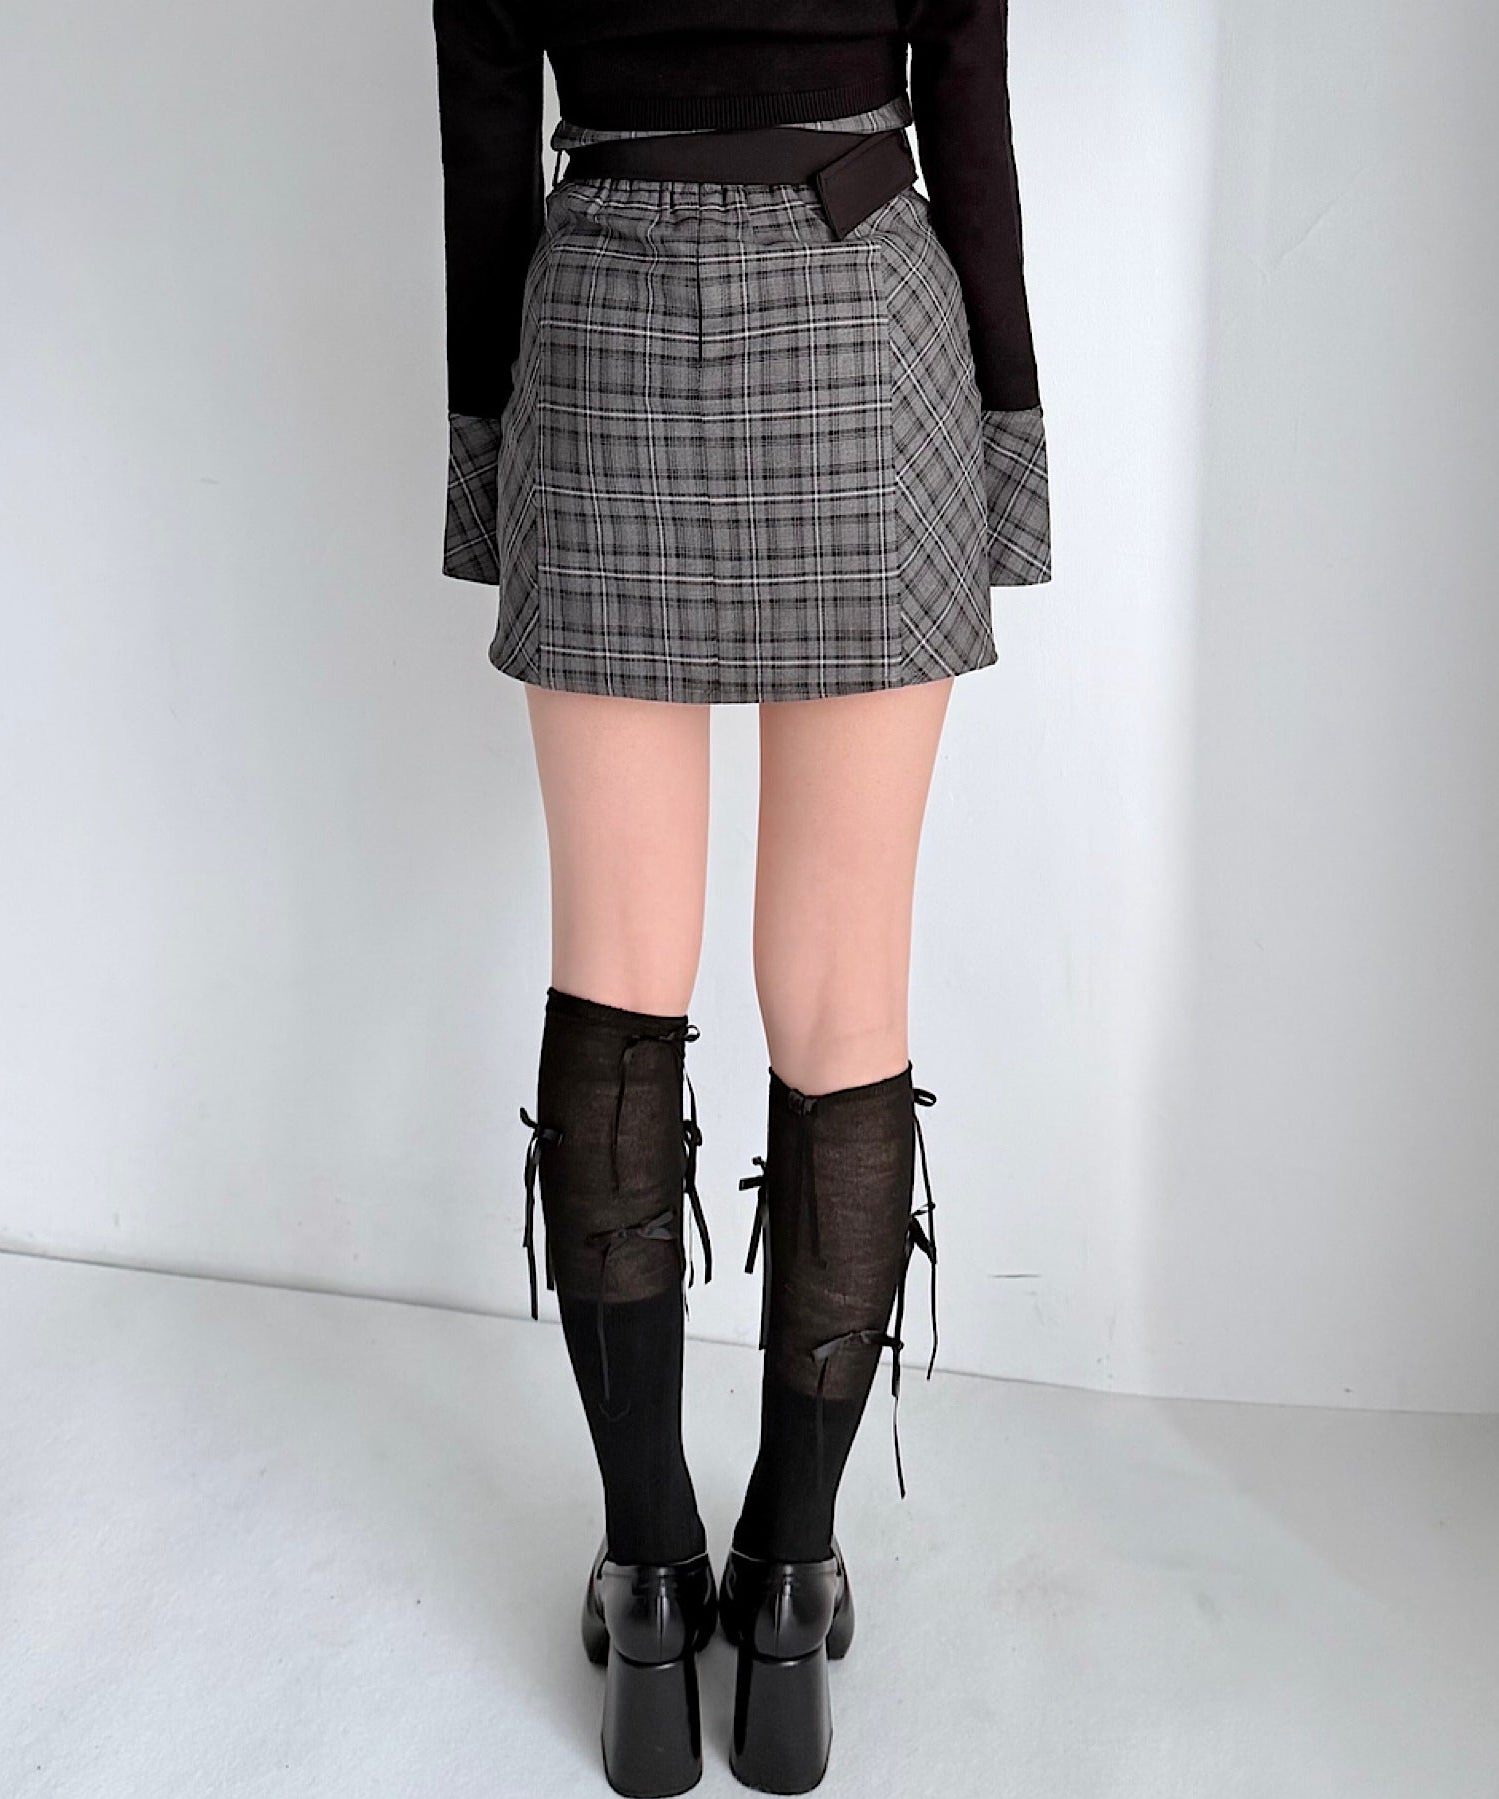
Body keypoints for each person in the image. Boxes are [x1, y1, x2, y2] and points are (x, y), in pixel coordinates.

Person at [432, 2, 1051, 1791]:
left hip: (604, 334)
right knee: (845, 996)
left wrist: (487, 458)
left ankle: (648, 1581)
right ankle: (787, 1584)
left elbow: (485, 128)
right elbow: (968, 106)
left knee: (616, 980)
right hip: (867, 323)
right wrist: (1008, 443)